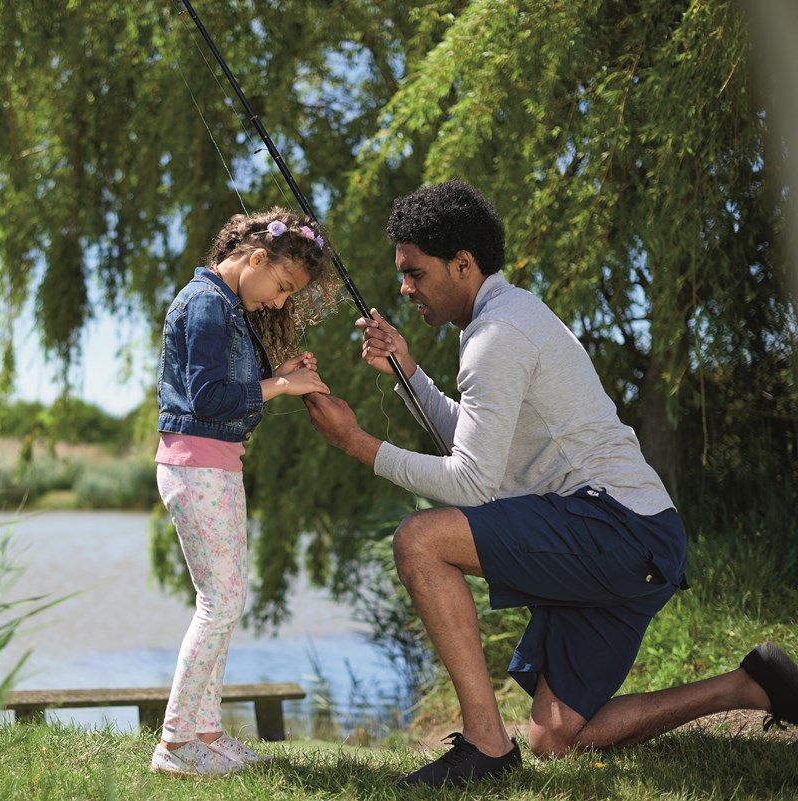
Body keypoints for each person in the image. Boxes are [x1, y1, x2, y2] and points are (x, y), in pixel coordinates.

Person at [302, 179, 798, 787]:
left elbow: (472, 481)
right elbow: (478, 444)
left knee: (420, 541)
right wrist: (409, 373)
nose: (404, 288)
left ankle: (485, 745)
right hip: (637, 534)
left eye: (415, 272)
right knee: (556, 738)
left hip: (617, 529)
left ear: (463, 264)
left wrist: (358, 443)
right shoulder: (499, 321)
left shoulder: (496, 337)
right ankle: (750, 685)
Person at [150, 207, 336, 777]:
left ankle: (205, 732)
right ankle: (176, 744)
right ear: (256, 257)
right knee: (221, 602)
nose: (279, 302)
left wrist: (278, 369)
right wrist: (279, 384)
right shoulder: (205, 301)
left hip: (216, 464)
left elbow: (232, 384)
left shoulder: (225, 303)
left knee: (225, 602)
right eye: (280, 287)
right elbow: (207, 398)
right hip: (196, 464)